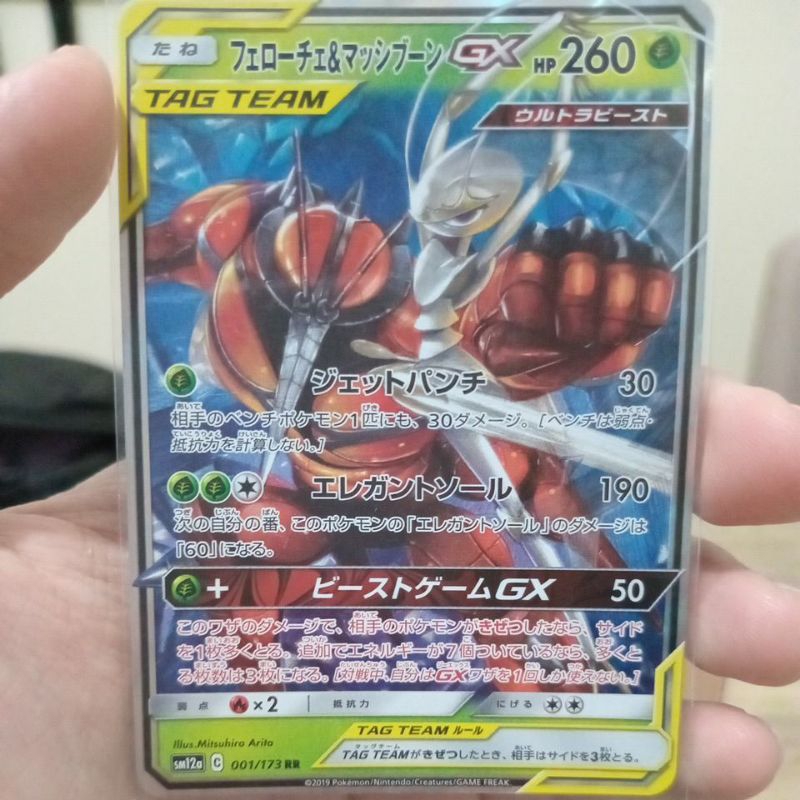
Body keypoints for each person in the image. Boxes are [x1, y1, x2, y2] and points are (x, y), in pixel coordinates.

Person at [1, 47, 799, 800]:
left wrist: (579, 319)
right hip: (300, 496)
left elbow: (555, 487)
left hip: (428, 504)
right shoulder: (244, 239)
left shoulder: (441, 329)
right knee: (242, 582)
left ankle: (571, 731)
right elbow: (166, 252)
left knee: (514, 595)